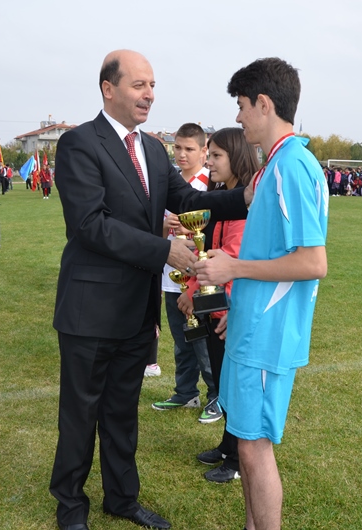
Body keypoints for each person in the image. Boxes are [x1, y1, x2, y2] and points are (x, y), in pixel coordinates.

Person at [49, 49, 249, 530]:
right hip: (90, 311)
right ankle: (71, 508)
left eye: (153, 85)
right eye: (139, 85)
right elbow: (90, 225)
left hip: (136, 313)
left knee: (122, 413)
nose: (150, 95)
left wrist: (244, 196)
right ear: (108, 88)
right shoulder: (79, 144)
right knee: (80, 415)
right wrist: (164, 251)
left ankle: (122, 499)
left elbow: (190, 200)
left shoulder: (154, 149)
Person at [195, 57, 329, 530]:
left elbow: (313, 262)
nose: (238, 117)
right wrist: (240, 301)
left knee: (254, 448)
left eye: (241, 105)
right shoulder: (276, 165)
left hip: (269, 334)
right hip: (252, 325)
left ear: (264, 104)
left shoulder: (292, 165)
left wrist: (233, 268)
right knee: (247, 443)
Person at [183, 127, 257, 483]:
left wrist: (225, 305)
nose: (209, 162)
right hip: (214, 306)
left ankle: (239, 460)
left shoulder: (244, 205)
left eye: (216, 156)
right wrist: (193, 287)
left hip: (230, 309)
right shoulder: (219, 198)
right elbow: (208, 251)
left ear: (236, 157)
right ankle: (228, 446)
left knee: (236, 387)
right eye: (209, 155)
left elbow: (232, 255)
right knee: (224, 385)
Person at [151, 123, 219, 422]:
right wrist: (164, 227)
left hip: (199, 278)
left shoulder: (210, 185)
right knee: (181, 340)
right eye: (177, 147)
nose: (182, 154)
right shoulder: (170, 184)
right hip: (170, 276)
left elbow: (215, 236)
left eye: (189, 149)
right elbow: (154, 231)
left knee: (202, 339)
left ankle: (216, 394)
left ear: (204, 151)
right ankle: (185, 392)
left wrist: (190, 236)